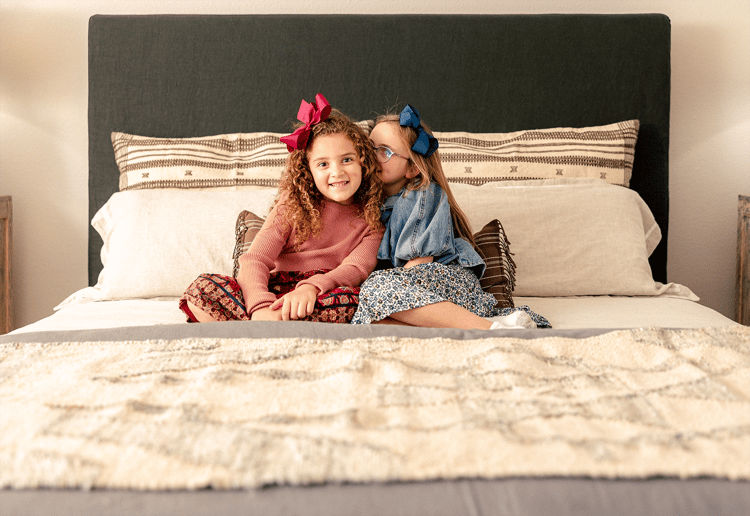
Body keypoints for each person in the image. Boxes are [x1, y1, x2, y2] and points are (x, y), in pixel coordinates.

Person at [179, 93, 384, 323]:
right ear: (308, 171)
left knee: (358, 300)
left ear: (363, 162)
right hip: (272, 292)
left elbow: (356, 269)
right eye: (323, 164)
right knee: (203, 288)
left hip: (322, 295)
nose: (336, 172)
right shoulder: (293, 205)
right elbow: (255, 260)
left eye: (347, 160)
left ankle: (259, 329)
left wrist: (311, 289)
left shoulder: (373, 217)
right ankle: (267, 323)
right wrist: (260, 306)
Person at [351, 104, 549, 329]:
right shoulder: (372, 203)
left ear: (413, 169)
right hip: (415, 289)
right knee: (367, 314)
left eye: (384, 151)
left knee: (376, 291)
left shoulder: (422, 194)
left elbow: (418, 264)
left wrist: (383, 289)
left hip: (447, 282)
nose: (371, 156)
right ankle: (492, 322)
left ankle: (488, 329)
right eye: (369, 147)